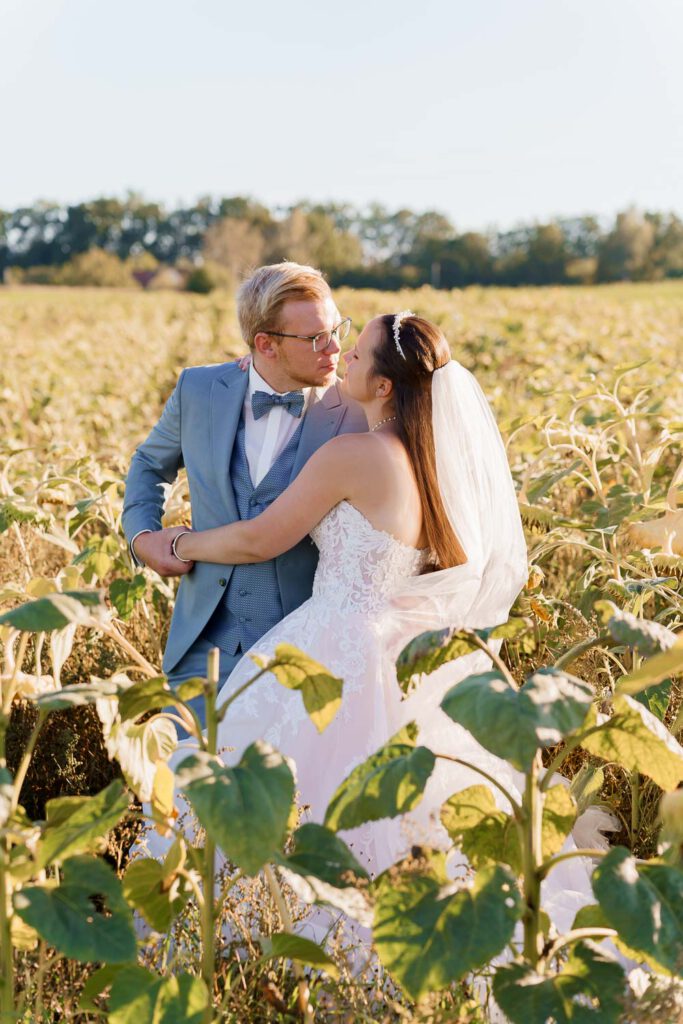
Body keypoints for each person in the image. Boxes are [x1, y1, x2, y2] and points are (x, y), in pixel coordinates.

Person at [158, 310, 616, 946]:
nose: (342, 355)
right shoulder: (430, 466)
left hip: (335, 638)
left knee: (291, 794)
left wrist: (177, 541)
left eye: (357, 353)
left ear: (383, 387)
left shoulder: (353, 455)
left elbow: (263, 538)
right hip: (402, 645)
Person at [122, 262, 367, 721]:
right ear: (265, 344)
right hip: (201, 650)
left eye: (337, 330)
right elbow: (148, 463)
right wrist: (142, 537)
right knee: (186, 787)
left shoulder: (357, 410)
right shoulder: (199, 389)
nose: (334, 347)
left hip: (308, 656)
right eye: (315, 337)